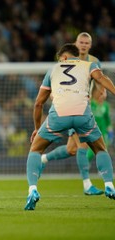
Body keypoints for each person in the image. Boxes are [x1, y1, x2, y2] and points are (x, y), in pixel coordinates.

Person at [24, 43, 115, 211]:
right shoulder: (89, 65)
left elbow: (38, 104)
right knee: (100, 149)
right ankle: (109, 184)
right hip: (82, 115)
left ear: (64, 58)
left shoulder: (53, 69)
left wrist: (37, 128)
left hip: (59, 115)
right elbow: (102, 79)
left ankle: (33, 190)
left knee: (35, 150)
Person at [40, 32, 105, 195]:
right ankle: (87, 185)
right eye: (81, 42)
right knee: (83, 144)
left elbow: (98, 83)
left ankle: (43, 159)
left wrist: (101, 93)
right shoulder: (66, 60)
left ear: (90, 45)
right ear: (76, 44)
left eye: (86, 43)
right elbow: (55, 80)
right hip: (69, 107)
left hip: (84, 108)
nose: (83, 45)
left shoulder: (94, 62)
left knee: (72, 149)